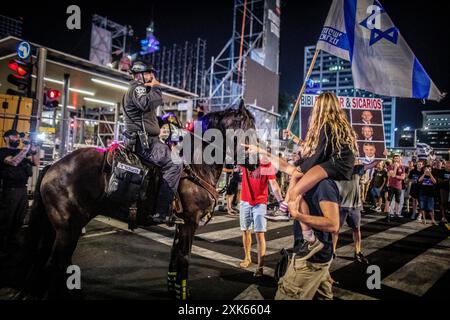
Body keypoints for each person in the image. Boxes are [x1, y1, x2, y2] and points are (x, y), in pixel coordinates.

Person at [266, 93, 357, 261]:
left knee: (296, 187)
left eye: (317, 105)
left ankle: (286, 211)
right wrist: (301, 166)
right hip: (336, 164)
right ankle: (293, 219)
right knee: (296, 183)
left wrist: (302, 166)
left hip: (336, 165)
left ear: (322, 106)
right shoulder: (336, 125)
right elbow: (319, 153)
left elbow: (319, 154)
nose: (314, 109)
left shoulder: (327, 125)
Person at [123, 61, 183, 226]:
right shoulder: (138, 88)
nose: (152, 77)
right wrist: (156, 87)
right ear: (139, 74)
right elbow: (147, 103)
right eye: (149, 73)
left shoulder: (137, 89)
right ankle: (161, 211)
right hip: (145, 143)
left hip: (146, 139)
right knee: (174, 164)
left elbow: (145, 114)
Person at [275, 179, 340, 300]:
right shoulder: (309, 181)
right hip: (317, 255)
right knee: (323, 296)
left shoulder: (323, 185)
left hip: (311, 258)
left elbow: (333, 225)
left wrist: (297, 215)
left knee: (286, 295)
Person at [239, 156, 283, 277]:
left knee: (259, 234)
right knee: (246, 231)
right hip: (245, 201)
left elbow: (273, 183)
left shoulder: (266, 164)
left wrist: (281, 202)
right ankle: (247, 258)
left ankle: (260, 266)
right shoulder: (244, 160)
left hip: (260, 202)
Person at [0, 130, 40, 255]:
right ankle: (2, 246)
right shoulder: (2, 151)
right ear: (6, 138)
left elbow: (35, 162)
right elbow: (13, 162)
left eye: (18, 136)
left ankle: (13, 244)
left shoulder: (20, 152)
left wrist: (35, 148)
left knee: (19, 218)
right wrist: (27, 147)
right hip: (10, 190)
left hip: (22, 189)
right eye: (14, 136)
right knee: (7, 219)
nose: (17, 138)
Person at [334, 163, 369, 264]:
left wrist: (380, 156)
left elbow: (369, 168)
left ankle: (357, 252)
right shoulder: (339, 168)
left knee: (357, 229)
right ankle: (332, 251)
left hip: (355, 206)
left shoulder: (358, 169)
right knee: (335, 230)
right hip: (341, 205)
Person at [384, 155, 406, 219]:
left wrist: (396, 176)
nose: (396, 159)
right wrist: (395, 167)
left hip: (399, 186)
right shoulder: (390, 166)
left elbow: (403, 177)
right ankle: (388, 213)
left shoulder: (402, 167)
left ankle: (396, 213)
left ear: (399, 159)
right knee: (389, 199)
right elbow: (392, 175)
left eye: (397, 158)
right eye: (395, 158)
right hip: (391, 185)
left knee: (397, 200)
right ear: (393, 159)